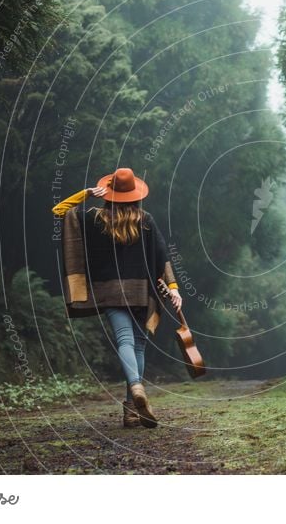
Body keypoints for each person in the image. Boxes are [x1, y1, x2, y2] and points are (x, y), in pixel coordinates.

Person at [52, 167, 182, 429]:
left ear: (108, 193)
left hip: (109, 291)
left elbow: (59, 211)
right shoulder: (145, 219)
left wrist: (86, 193)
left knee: (123, 340)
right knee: (139, 345)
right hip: (141, 292)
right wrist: (174, 287)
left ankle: (135, 389)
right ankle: (132, 407)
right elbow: (162, 255)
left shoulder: (93, 218)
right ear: (135, 194)